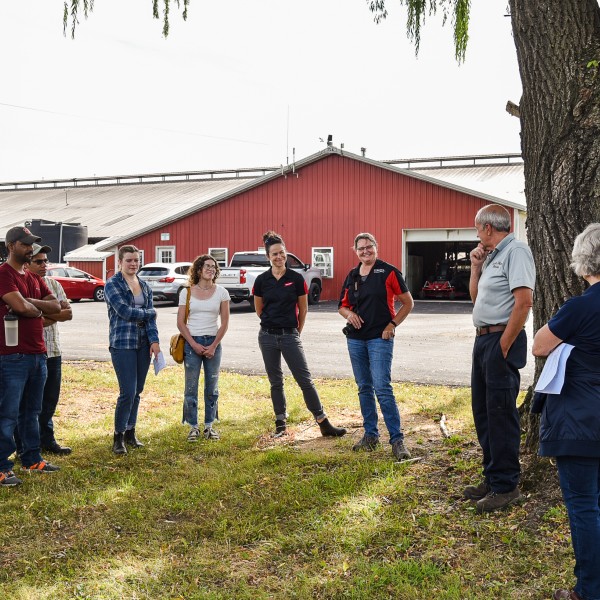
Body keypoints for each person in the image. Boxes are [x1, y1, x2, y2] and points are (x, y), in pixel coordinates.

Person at [532, 223, 600, 600]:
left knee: (585, 507)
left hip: (581, 420)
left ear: (582, 260)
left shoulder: (579, 306)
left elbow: (540, 346)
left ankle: (589, 591)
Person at [465, 204, 536, 513]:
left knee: (500, 413)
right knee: (483, 411)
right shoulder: (492, 256)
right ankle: (493, 478)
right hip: (483, 339)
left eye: (478, 229)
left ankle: (506, 486)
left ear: (488, 229)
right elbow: (475, 298)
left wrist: (504, 346)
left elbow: (524, 302)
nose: (477, 234)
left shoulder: (516, 251)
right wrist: (475, 268)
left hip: (499, 339)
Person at [253, 231, 346, 438]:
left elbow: (303, 309)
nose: (279, 257)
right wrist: (272, 323)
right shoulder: (261, 280)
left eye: (282, 253)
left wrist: (296, 331)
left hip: (289, 335)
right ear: (268, 257)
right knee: (275, 381)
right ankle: (280, 422)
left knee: (304, 380)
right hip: (267, 336)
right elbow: (259, 309)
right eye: (275, 254)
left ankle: (323, 421)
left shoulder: (296, 279)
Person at [338, 232, 414, 461]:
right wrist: (349, 314)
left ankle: (397, 440)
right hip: (356, 340)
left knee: (382, 387)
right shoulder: (352, 275)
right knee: (364, 387)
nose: (365, 251)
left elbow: (408, 303)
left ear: (375, 247)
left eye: (368, 247)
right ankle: (370, 436)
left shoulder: (389, 272)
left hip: (380, 338)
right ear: (355, 251)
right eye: (360, 248)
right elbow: (342, 306)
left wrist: (392, 325)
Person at [0, 226, 61, 487]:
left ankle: (32, 458)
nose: (30, 249)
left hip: (38, 354)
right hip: (12, 356)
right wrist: (32, 305)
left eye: (31, 244)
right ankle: (2, 467)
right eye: (25, 245)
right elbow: (20, 307)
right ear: (11, 245)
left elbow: (56, 305)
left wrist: (29, 304)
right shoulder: (4, 274)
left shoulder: (32, 277)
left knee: (32, 411)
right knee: (7, 414)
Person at [104, 245, 161, 455]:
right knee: (127, 392)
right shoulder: (112, 284)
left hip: (143, 344)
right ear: (119, 262)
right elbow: (125, 312)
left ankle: (130, 432)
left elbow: (151, 320)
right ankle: (118, 437)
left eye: (136, 260)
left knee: (137, 392)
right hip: (122, 344)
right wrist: (149, 312)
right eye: (129, 260)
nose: (133, 264)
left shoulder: (145, 286)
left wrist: (155, 341)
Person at [26, 243, 73, 455]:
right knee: (28, 403)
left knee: (50, 400)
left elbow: (68, 314)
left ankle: (47, 440)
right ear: (27, 263)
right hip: (31, 353)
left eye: (46, 261)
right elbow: (29, 320)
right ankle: (25, 445)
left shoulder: (54, 285)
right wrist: (53, 314)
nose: (44, 265)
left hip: (53, 351)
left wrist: (42, 315)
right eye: (39, 261)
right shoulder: (21, 285)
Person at [177, 255, 230, 442]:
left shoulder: (222, 292)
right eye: (207, 266)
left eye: (214, 267)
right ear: (198, 269)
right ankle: (193, 427)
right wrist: (193, 344)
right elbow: (180, 323)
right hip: (192, 343)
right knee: (190, 386)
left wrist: (213, 345)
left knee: (212, 386)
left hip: (213, 343)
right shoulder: (187, 292)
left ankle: (209, 425)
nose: (211, 269)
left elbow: (224, 323)